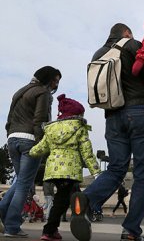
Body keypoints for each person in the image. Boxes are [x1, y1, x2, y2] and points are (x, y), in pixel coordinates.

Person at [70, 23, 144, 241]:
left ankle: (87, 199)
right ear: (126, 33)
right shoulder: (132, 45)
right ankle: (131, 231)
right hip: (140, 112)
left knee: (116, 168)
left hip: (112, 117)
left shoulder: (98, 54)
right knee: (143, 174)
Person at [0, 66, 61, 238]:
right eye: (55, 80)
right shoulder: (43, 93)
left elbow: (9, 118)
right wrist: (41, 142)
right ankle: (12, 227)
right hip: (29, 141)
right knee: (24, 185)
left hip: (13, 139)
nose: (55, 84)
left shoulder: (19, 91)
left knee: (20, 181)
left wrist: (10, 134)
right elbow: (40, 120)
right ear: (47, 78)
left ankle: (3, 213)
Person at [29, 94, 101, 241]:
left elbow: (40, 148)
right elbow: (87, 153)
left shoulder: (51, 129)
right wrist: (96, 172)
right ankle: (50, 230)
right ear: (77, 114)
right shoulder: (79, 127)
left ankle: (58, 227)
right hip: (70, 171)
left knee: (69, 195)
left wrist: (30, 152)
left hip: (53, 171)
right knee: (63, 201)